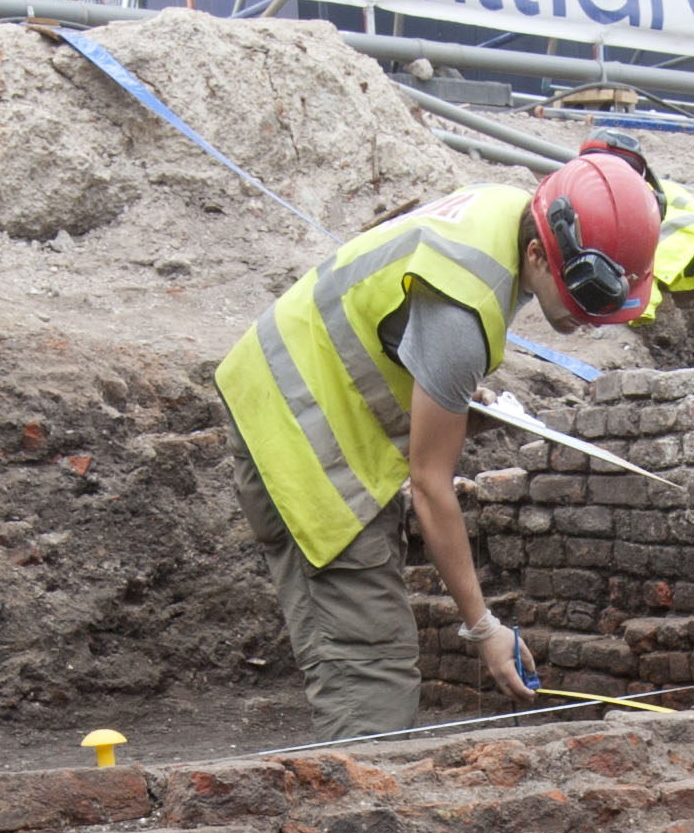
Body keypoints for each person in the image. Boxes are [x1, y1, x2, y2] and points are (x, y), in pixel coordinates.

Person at [214, 141, 665, 740]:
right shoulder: (463, 315)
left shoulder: (508, 210)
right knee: (370, 682)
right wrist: (484, 628)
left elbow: (401, 331)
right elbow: (431, 488)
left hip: (290, 399)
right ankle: (358, 819)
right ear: (537, 252)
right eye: (584, 300)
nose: (589, 321)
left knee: (375, 665)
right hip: (297, 441)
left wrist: (446, 405)